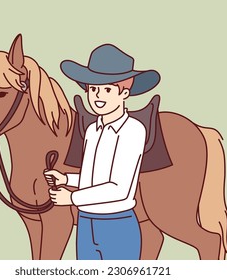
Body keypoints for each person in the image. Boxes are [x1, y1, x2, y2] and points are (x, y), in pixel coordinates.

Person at [44, 44, 160, 260]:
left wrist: (71, 197)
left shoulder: (133, 131)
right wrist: (66, 178)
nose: (98, 95)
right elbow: (94, 178)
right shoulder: (91, 130)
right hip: (86, 223)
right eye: (94, 89)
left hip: (116, 223)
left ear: (124, 92)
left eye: (107, 89)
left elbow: (119, 188)